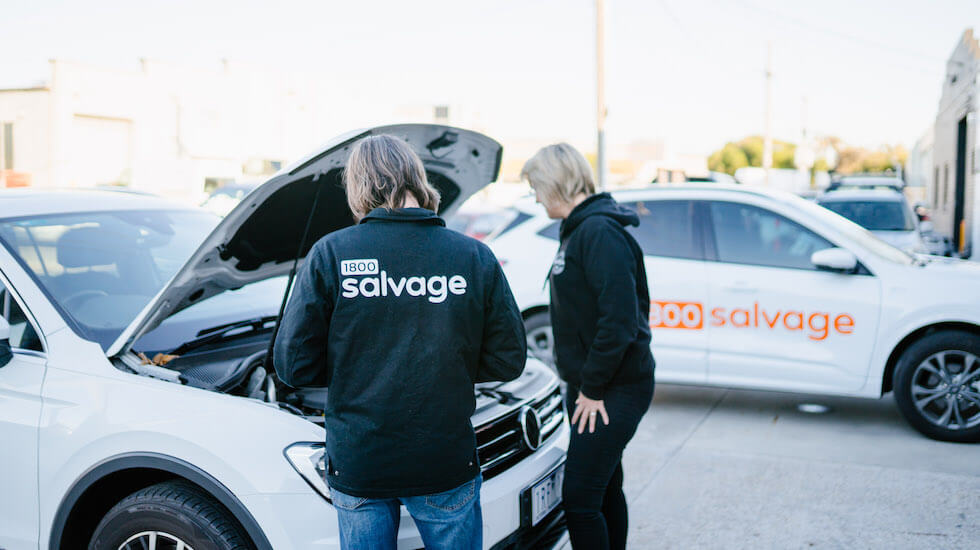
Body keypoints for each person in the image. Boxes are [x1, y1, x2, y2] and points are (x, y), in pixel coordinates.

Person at [274, 134, 527, 550]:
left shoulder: (332, 253)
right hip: (444, 458)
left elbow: (293, 365)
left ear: (359, 186)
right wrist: (450, 364)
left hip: (361, 459)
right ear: (416, 177)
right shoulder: (472, 256)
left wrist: (354, 367)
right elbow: (508, 360)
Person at [521, 143, 655, 550]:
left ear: (555, 183)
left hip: (613, 388)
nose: (536, 197)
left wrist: (593, 388)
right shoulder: (580, 229)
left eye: (537, 187)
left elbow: (619, 322)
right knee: (605, 487)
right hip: (594, 387)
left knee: (579, 499)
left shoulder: (599, 233)